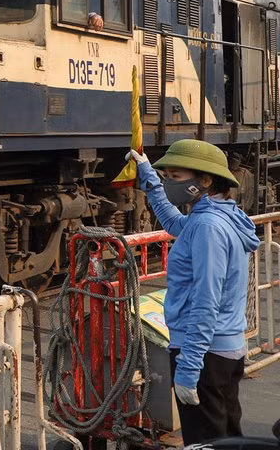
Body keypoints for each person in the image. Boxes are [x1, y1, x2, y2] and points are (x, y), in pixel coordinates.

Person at [127, 139, 260, 444]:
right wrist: (148, 175)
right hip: (224, 350)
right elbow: (175, 222)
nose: (169, 183)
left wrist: (189, 368)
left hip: (204, 355)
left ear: (205, 180)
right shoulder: (221, 216)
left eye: (175, 177)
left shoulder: (207, 227)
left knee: (206, 442)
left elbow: (205, 301)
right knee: (227, 439)